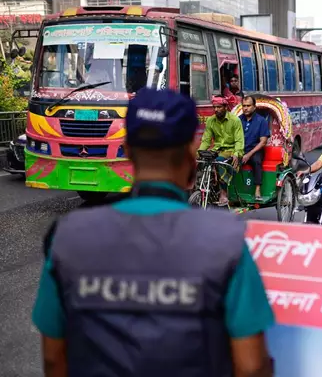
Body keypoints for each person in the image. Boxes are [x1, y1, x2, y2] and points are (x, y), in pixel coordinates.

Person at [32, 88, 275, 377]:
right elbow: (252, 366)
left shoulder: (67, 236)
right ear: (190, 155)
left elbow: (53, 361)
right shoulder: (228, 240)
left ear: (128, 150)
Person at [198, 95, 245, 206]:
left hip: (231, 150)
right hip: (217, 150)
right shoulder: (210, 120)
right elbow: (206, 140)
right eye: (214, 107)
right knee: (202, 161)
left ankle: (223, 192)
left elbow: (239, 140)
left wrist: (237, 153)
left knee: (219, 161)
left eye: (219, 107)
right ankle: (206, 188)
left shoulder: (235, 120)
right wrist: (199, 152)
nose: (216, 109)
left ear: (225, 107)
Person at [240, 96, 271, 200]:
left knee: (257, 161)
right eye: (244, 106)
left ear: (254, 107)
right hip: (240, 150)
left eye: (248, 106)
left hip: (255, 150)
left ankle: (257, 189)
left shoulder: (261, 121)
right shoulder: (238, 120)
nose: (246, 108)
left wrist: (249, 154)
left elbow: (263, 142)